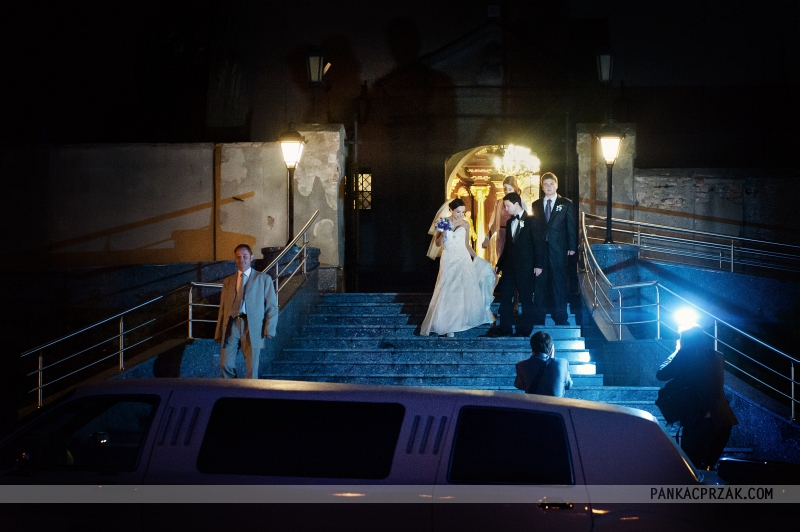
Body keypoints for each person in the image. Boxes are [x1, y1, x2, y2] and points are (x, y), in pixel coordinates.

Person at [656, 326, 739, 470]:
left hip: (699, 420)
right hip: (723, 420)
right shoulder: (716, 356)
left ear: (684, 340)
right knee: (708, 468)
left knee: (691, 469)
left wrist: (677, 351)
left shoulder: (685, 354)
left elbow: (661, 374)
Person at [421, 198, 495, 337]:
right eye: (458, 212)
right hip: (448, 259)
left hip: (463, 259)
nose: (461, 215)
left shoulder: (465, 224)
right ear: (451, 210)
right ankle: (448, 325)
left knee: (461, 290)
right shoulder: (442, 222)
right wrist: (443, 235)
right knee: (448, 290)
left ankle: (459, 322)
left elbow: (466, 245)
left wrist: (477, 257)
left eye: (463, 212)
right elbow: (437, 244)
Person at [215, 244, 279, 379]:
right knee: (225, 364)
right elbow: (223, 308)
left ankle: (249, 390)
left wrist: (269, 328)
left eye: (245, 256)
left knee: (251, 368)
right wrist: (219, 331)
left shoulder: (263, 279)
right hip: (232, 324)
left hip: (252, 326)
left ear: (251, 257)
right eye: (238, 257)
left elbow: (272, 305)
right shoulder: (228, 281)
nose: (241, 260)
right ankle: (231, 388)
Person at [484, 192, 543, 337]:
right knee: (505, 297)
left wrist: (539, 264)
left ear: (517, 203)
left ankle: (525, 329)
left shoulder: (532, 220)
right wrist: (499, 264)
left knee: (526, 298)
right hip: (509, 266)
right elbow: (508, 246)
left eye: (508, 206)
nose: (506, 209)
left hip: (526, 266)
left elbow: (538, 243)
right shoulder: (510, 222)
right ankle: (505, 328)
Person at [531, 172, 576, 326]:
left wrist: (571, 246)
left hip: (559, 249)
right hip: (541, 250)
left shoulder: (566, 203)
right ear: (542, 187)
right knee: (540, 284)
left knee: (559, 283)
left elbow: (571, 225)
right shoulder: (536, 204)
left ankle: (561, 317)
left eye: (551, 184)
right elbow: (535, 228)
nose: (549, 187)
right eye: (546, 184)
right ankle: (539, 317)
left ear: (556, 185)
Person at [514, 331, 573, 396]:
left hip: (533, 402)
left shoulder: (521, 365)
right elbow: (568, 385)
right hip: (555, 402)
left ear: (531, 347)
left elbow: (518, 385)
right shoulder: (562, 363)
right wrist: (551, 359)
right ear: (552, 348)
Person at [482, 175, 523, 267]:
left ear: (515, 189)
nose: (507, 191)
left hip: (515, 237)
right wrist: (487, 238)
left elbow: (524, 222)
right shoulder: (499, 203)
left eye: (510, 189)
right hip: (501, 236)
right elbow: (495, 223)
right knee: (502, 264)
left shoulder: (520, 203)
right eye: (505, 189)